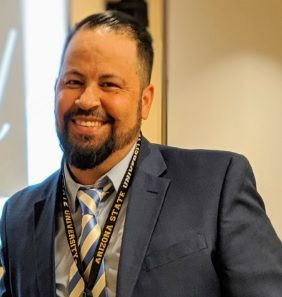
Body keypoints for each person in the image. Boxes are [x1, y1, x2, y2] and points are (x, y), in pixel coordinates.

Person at [0, 10, 281, 297]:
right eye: (74, 82)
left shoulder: (215, 185)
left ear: (144, 101)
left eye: (109, 84)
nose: (86, 100)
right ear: (56, 88)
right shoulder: (17, 216)